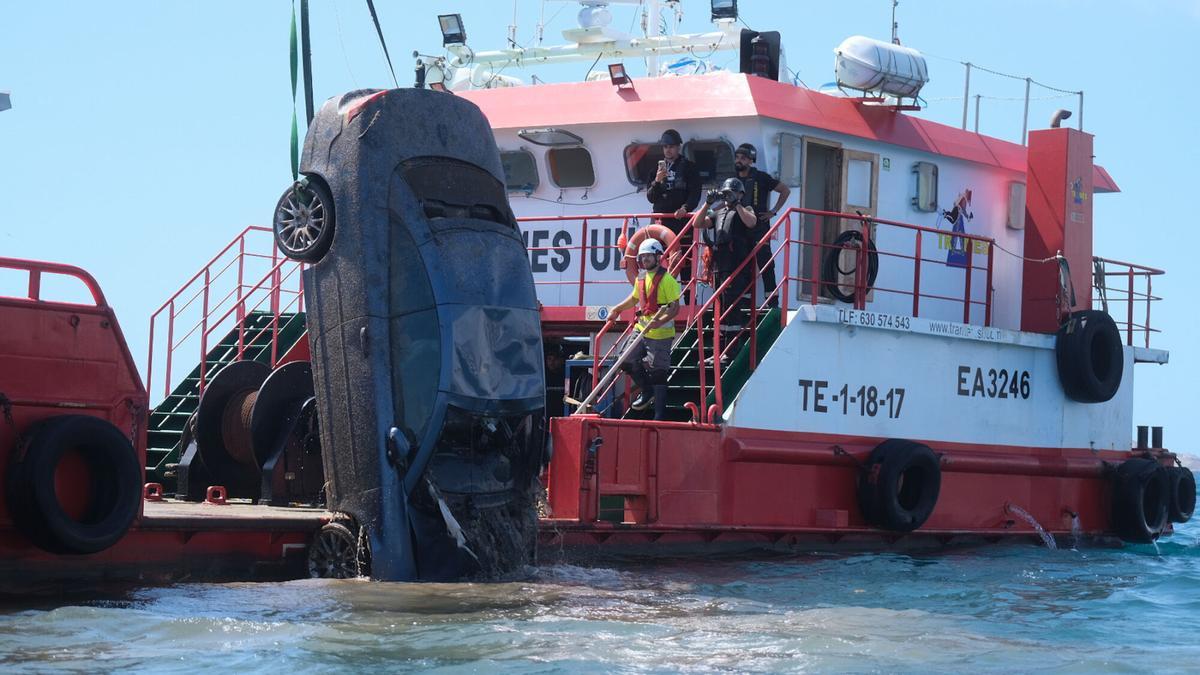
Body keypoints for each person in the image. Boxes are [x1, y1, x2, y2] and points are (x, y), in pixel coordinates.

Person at [604, 238, 681, 420]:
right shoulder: (641, 278)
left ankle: (659, 414)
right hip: (642, 328)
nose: (645, 259)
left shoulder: (667, 280)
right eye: (642, 257)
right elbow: (633, 299)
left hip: (661, 333)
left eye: (648, 256)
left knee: (658, 372)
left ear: (657, 257)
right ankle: (647, 391)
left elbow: (674, 308)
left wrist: (658, 321)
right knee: (625, 360)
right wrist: (616, 309)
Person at [695, 177, 757, 367]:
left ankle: (730, 352)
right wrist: (707, 203)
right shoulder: (719, 212)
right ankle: (719, 353)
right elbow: (697, 224)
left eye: (732, 193)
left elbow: (751, 222)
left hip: (737, 266)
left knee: (732, 311)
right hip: (720, 267)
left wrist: (737, 203)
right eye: (726, 192)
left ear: (740, 194)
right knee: (720, 311)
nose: (728, 196)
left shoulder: (745, 209)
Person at [733, 143, 791, 308]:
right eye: (737, 157)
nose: (739, 161)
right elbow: (726, 202)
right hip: (740, 228)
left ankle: (773, 302)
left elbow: (785, 190)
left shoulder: (762, 177)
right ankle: (744, 303)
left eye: (743, 158)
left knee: (765, 263)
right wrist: (709, 210)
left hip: (759, 227)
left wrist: (773, 211)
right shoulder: (734, 180)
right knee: (742, 265)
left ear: (751, 160)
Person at [646, 129, 701, 297]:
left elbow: (695, 193)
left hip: (681, 223)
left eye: (671, 146)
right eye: (665, 147)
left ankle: (688, 302)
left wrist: (685, 208)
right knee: (657, 261)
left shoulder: (689, 168)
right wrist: (657, 180)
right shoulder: (655, 170)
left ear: (678, 147)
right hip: (661, 223)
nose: (668, 150)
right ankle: (657, 299)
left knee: (685, 265)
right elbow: (651, 197)